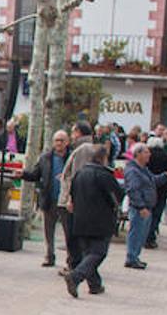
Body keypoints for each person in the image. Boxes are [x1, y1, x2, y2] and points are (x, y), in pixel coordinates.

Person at [64, 145, 122, 298]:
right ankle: (75, 276)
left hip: (80, 220)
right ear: (104, 159)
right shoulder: (104, 175)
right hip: (100, 221)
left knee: (88, 254)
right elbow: (117, 196)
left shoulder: (80, 173)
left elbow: (72, 195)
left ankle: (95, 285)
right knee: (98, 253)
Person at [18, 129, 71, 268]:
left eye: (61, 140)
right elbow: (35, 175)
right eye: (56, 140)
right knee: (48, 230)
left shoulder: (72, 157)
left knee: (69, 232)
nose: (59, 143)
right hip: (49, 198)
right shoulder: (45, 158)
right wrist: (22, 174)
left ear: (67, 142)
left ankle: (71, 259)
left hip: (66, 200)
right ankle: (49, 256)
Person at [123, 142, 167, 269]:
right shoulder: (133, 171)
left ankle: (134, 257)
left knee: (141, 234)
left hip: (146, 207)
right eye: (146, 152)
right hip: (139, 208)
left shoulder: (143, 169)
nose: (150, 155)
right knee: (136, 233)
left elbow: (153, 181)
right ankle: (131, 258)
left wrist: (166, 175)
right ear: (138, 154)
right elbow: (132, 190)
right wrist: (141, 206)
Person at [56, 121, 98, 273]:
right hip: (73, 198)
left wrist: (71, 198)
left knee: (72, 237)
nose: (71, 136)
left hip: (72, 201)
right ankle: (74, 264)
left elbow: (78, 175)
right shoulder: (83, 148)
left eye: (73, 132)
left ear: (79, 133)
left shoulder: (83, 149)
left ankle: (75, 266)